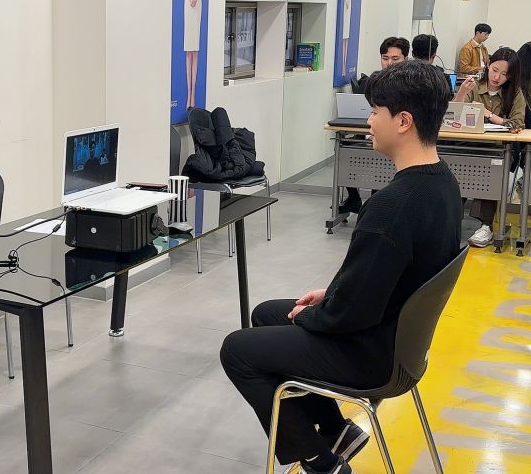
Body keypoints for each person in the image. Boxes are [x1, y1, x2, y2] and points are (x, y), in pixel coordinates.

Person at [221, 61, 461, 474]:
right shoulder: (444, 183)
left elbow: (351, 314)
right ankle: (336, 431)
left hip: (373, 356)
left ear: (403, 121)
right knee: (266, 313)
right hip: (403, 346)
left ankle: (321, 462)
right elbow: (380, 281)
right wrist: (328, 297)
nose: (368, 121)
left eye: (375, 111)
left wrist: (316, 313)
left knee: (238, 351)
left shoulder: (392, 207)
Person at [454, 47, 525, 247]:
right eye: (494, 70)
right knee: (454, 169)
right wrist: (461, 93)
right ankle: (449, 218)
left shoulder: (515, 93)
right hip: (467, 145)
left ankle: (485, 225)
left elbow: (517, 124)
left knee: (492, 168)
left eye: (504, 74)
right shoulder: (474, 86)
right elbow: (453, 115)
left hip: (497, 149)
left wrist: (489, 115)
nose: (497, 77)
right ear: (488, 66)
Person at [340, 36, 410, 214]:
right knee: (345, 147)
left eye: (395, 59)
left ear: (405, 59)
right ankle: (354, 198)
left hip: (399, 137)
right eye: (385, 58)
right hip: (374, 132)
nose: (389, 63)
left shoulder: (411, 83)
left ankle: (377, 205)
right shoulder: (374, 80)